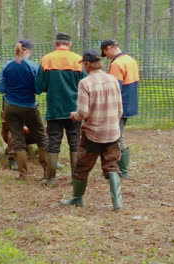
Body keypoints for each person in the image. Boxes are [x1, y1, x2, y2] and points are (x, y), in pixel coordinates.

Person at [60, 49, 124, 210]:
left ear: (87, 64)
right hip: (113, 132)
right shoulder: (112, 80)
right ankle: (118, 203)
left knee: (82, 167)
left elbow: (83, 112)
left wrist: (75, 115)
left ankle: (77, 198)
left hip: (92, 134)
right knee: (112, 167)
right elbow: (120, 109)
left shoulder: (85, 83)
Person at [35, 32, 86, 186]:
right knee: (75, 141)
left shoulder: (47, 59)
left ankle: (50, 178)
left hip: (55, 109)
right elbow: (84, 84)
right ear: (69, 44)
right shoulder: (78, 60)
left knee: (53, 142)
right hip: (74, 109)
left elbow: (39, 86)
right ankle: (76, 178)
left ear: (55, 44)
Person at [0, 39, 49, 180]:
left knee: (17, 138)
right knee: (41, 136)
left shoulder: (7, 66)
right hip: (29, 106)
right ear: (28, 50)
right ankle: (47, 171)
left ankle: (22, 174)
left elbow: (1, 89)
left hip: (10, 106)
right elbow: (38, 90)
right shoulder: (33, 66)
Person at [100, 39, 139, 178]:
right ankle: (121, 169)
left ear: (109, 48)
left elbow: (114, 88)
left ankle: (122, 170)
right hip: (130, 104)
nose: (107, 56)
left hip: (119, 106)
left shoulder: (117, 64)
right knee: (119, 135)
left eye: (106, 53)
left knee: (117, 137)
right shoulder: (130, 60)